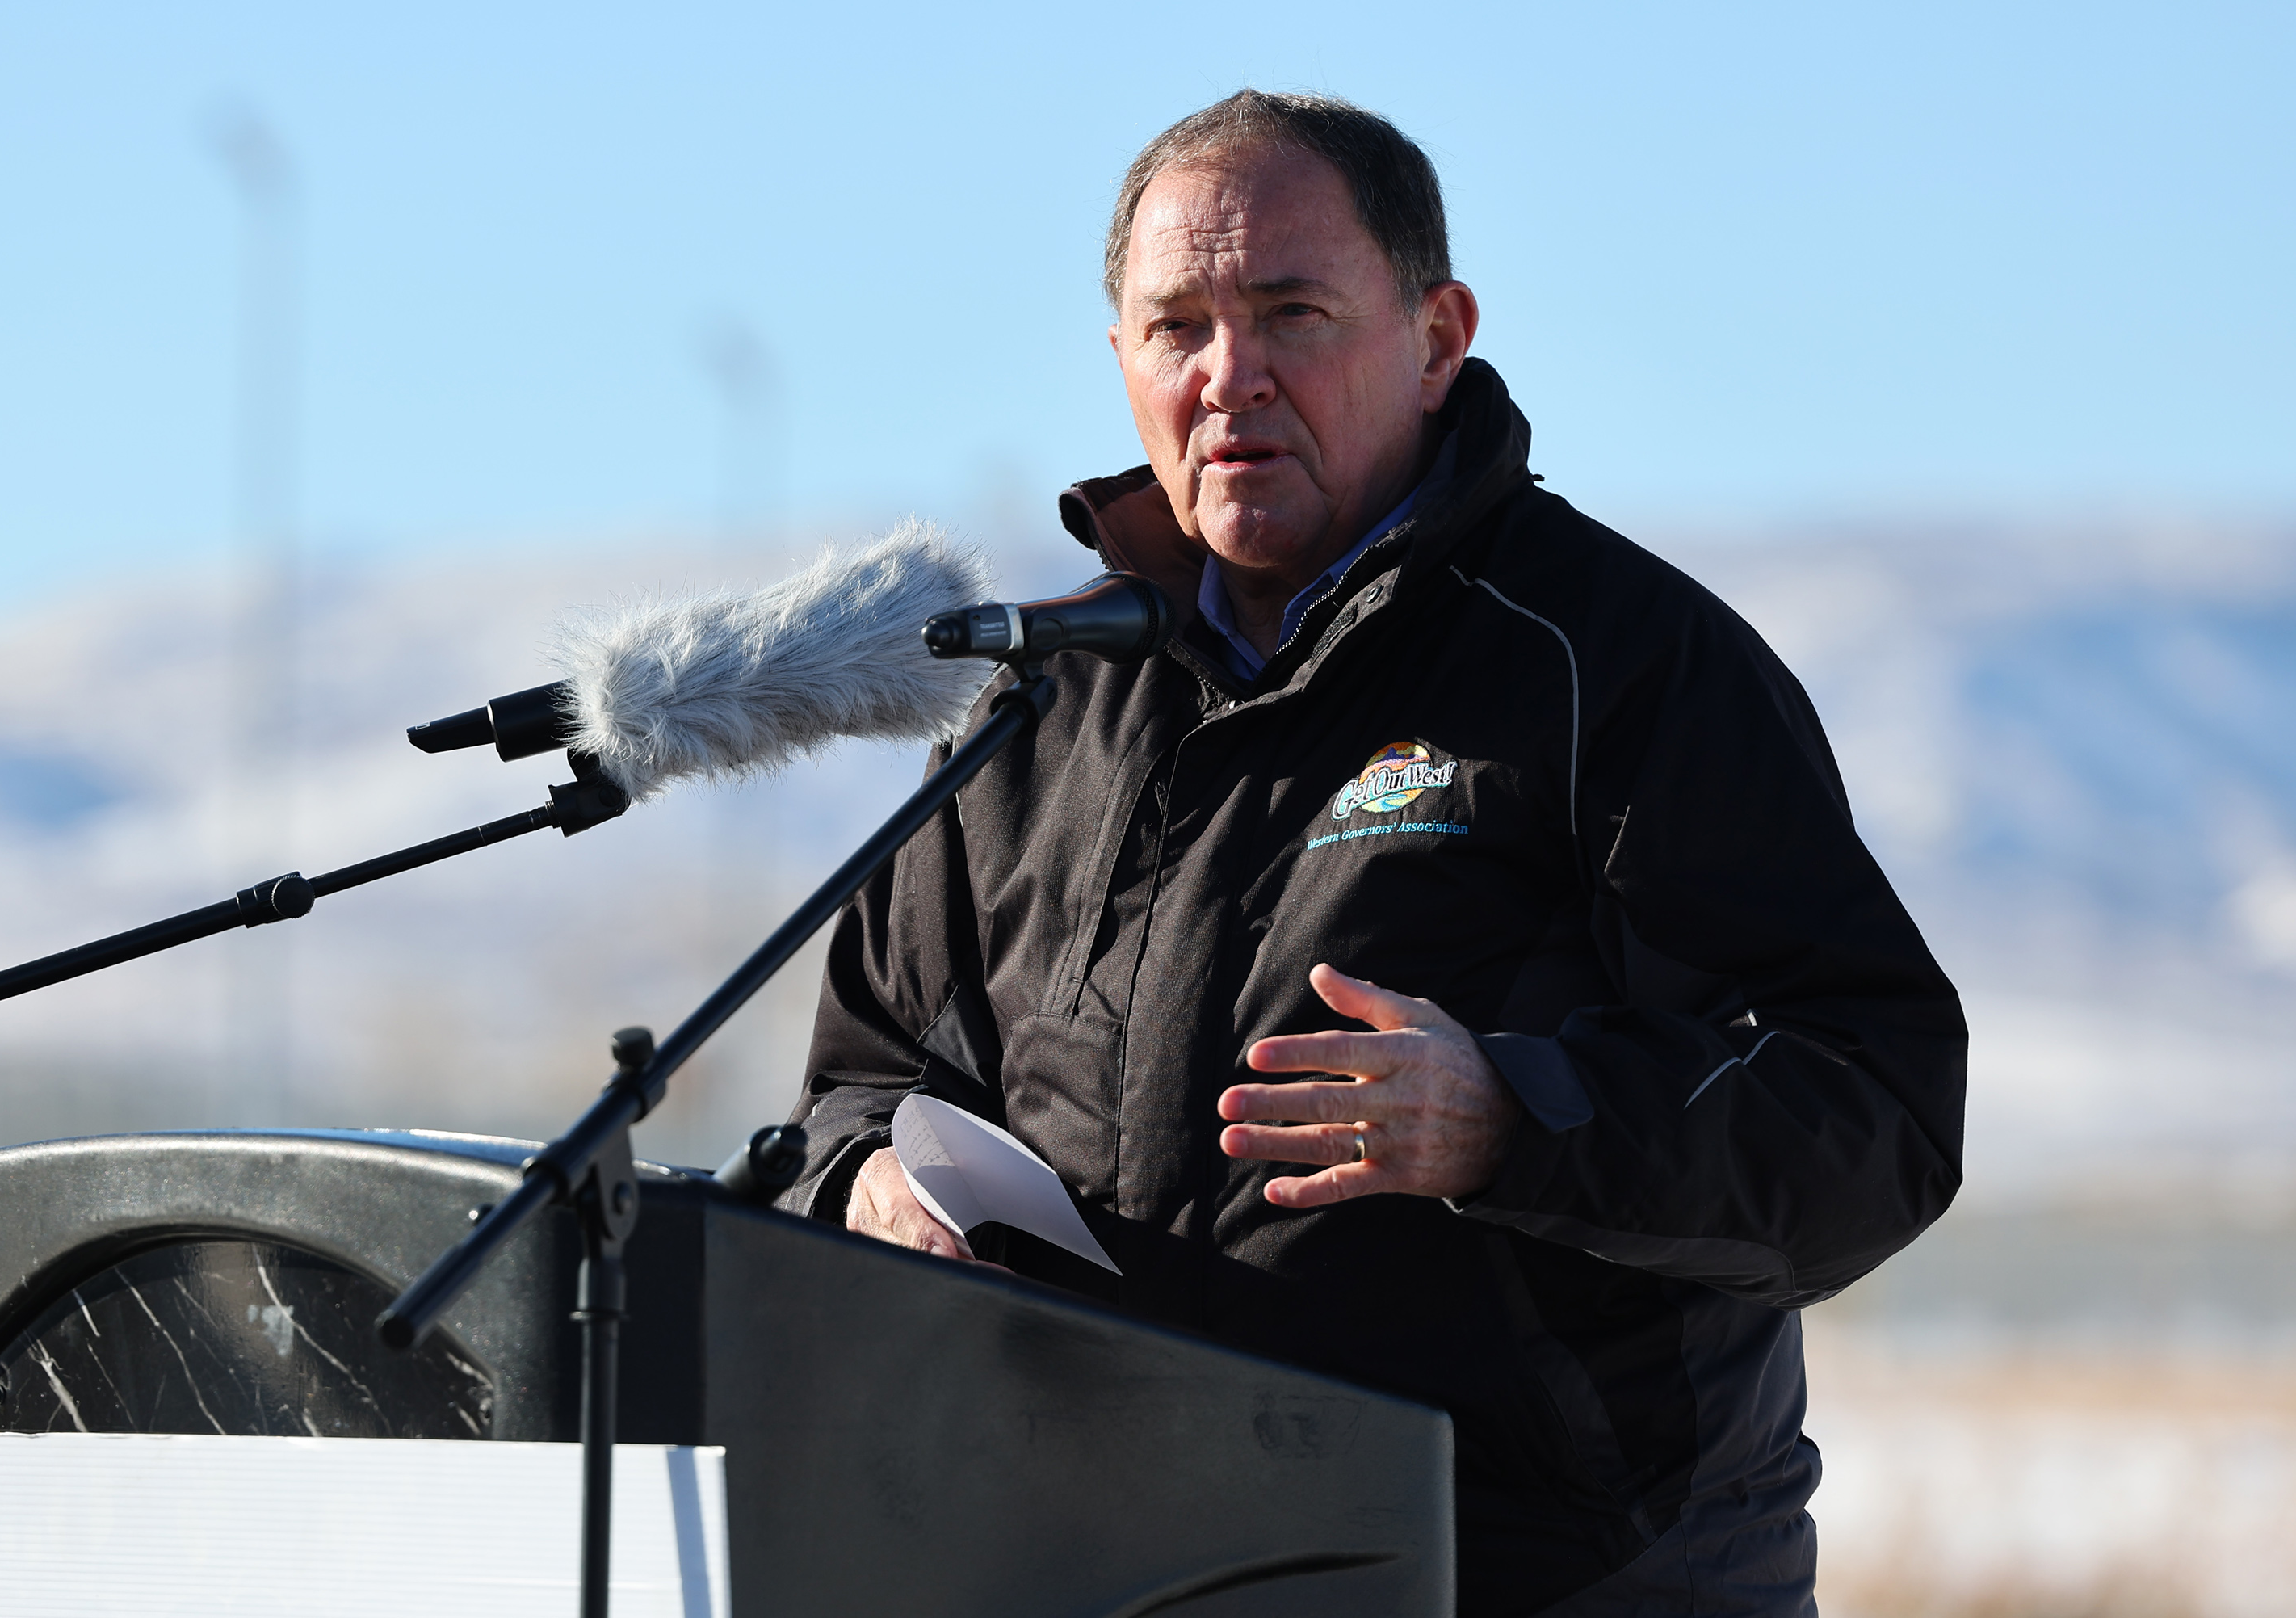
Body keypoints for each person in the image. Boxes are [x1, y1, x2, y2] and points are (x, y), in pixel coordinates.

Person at [780, 90, 1966, 1617]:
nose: (1231, 376)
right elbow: (864, 1080)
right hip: (1114, 1563)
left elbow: (1874, 1106)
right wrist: (868, 1184)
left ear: (1437, 334)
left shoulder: (1618, 664)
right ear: (1121, 359)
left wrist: (1509, 1119)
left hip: (1557, 1576)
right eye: (1178, 327)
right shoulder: (1034, 701)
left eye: (1291, 312)